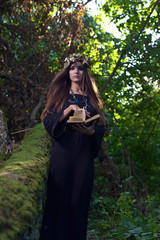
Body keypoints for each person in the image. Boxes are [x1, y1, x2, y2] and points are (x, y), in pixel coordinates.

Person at [39, 54, 105, 240]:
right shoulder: (60, 95)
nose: (76, 71)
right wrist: (67, 111)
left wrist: (92, 132)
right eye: (72, 68)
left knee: (78, 203)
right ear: (67, 72)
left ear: (85, 72)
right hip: (63, 156)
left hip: (83, 158)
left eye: (80, 68)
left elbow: (101, 126)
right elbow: (47, 120)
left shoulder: (92, 99)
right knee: (58, 201)